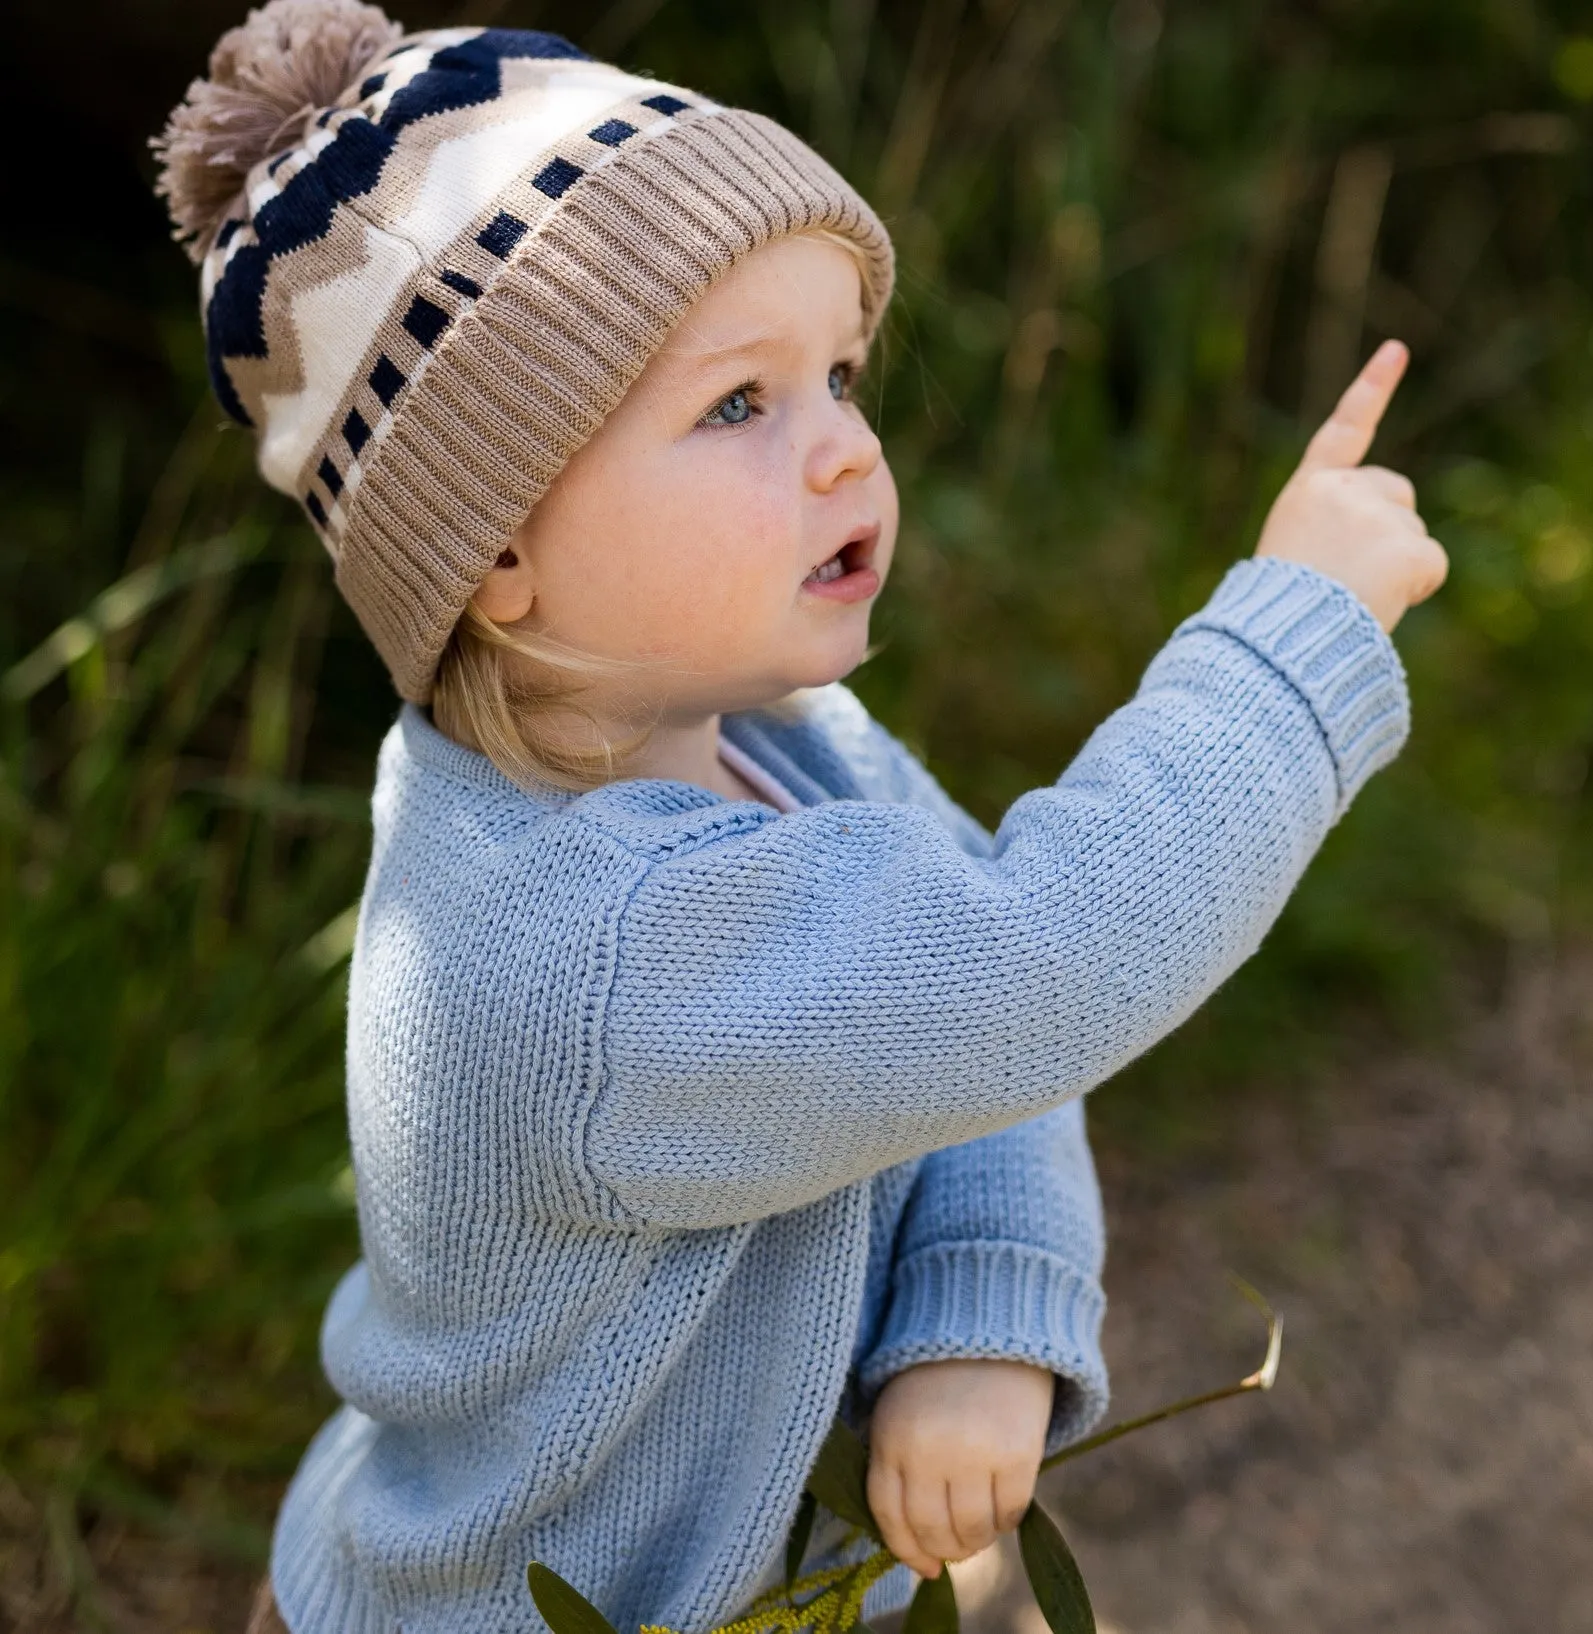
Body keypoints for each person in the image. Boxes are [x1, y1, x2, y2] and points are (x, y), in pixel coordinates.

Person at [153, 4, 1447, 1632]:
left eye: (835, 373)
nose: (844, 447)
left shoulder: (774, 734)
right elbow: (1040, 952)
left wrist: (978, 1314)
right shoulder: (591, 949)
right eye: (737, 406)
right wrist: (1289, 639)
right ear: (494, 553)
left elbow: (979, 1017)